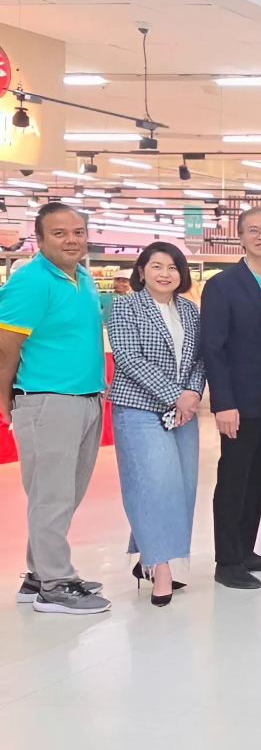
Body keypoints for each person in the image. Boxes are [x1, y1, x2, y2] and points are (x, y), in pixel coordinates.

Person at [1, 204, 112, 613]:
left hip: (85, 398)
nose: (72, 240)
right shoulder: (31, 280)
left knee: (65, 494)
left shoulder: (82, 276)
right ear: (40, 238)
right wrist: (5, 399)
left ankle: (39, 574)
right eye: (60, 233)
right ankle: (55, 584)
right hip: (48, 400)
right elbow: (5, 347)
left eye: (78, 232)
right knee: (51, 496)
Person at [201, 206, 261, 590]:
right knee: (233, 477)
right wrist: (223, 403)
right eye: (254, 230)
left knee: (259, 475)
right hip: (239, 402)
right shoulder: (222, 285)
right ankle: (227, 561)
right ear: (240, 237)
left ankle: (246, 549)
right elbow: (214, 348)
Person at [108, 242, 205, 607]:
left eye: (173, 267)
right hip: (138, 408)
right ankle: (160, 569)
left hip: (183, 411)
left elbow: (200, 358)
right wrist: (175, 395)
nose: (165, 273)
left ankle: (148, 555)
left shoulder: (190, 311)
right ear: (142, 271)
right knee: (153, 485)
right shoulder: (126, 306)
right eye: (157, 266)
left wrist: (192, 393)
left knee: (180, 486)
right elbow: (128, 358)